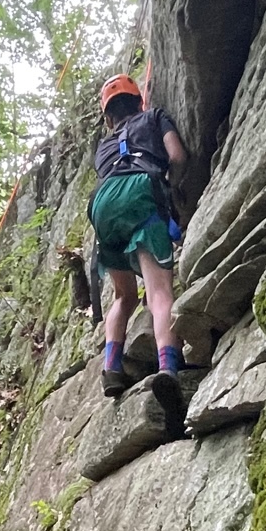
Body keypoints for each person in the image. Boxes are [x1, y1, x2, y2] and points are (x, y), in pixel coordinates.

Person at [89, 74, 189, 399]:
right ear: (139, 101)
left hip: (102, 205)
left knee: (123, 296)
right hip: (141, 191)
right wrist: (171, 190)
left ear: (108, 117)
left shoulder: (103, 147)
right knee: (158, 291)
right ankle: (168, 367)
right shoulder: (154, 117)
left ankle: (112, 369)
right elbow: (177, 157)